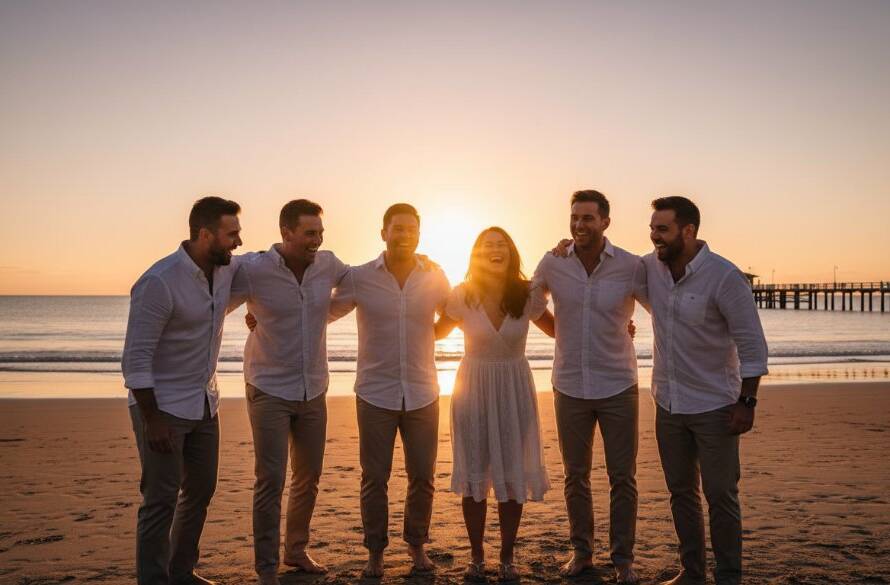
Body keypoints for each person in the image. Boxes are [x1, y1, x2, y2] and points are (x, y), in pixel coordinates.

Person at [644, 196, 768, 585]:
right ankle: (692, 572)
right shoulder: (650, 268)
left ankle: (729, 576)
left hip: (716, 405)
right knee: (681, 493)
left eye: (662, 229)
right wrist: (566, 248)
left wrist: (747, 402)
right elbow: (608, 268)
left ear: (688, 231)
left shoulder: (724, 277)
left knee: (721, 495)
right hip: (667, 403)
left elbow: (753, 345)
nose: (655, 236)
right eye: (652, 228)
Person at [122, 196, 242, 585]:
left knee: (201, 491)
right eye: (231, 234)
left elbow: (267, 264)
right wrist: (152, 420)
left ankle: (181, 571)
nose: (238, 242)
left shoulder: (225, 270)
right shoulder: (159, 282)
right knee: (160, 499)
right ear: (204, 234)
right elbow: (135, 360)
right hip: (162, 408)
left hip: (205, 402)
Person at [328, 203, 451, 578]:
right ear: (384, 233)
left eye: (411, 229)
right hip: (375, 393)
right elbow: (323, 312)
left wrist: (430, 336)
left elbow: (455, 311)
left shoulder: (434, 275)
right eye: (398, 229)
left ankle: (417, 545)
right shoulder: (360, 277)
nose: (404, 235)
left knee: (423, 477)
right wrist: (263, 316)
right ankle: (375, 553)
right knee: (374, 478)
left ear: (419, 234)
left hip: (423, 391)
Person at [229, 199, 348, 585]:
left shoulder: (328, 264)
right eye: (310, 233)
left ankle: (295, 551)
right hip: (268, 387)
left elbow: (363, 283)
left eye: (321, 233)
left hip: (313, 388)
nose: (317, 240)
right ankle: (266, 567)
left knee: (308, 477)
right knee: (270, 480)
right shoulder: (254, 269)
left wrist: (319, 315)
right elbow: (213, 300)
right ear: (286, 233)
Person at [534, 190, 647, 584]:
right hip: (569, 385)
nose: (579, 225)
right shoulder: (553, 261)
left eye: (587, 218)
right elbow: (530, 303)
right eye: (574, 218)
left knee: (623, 477)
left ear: (605, 222)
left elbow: (664, 307)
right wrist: (559, 332)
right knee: (575, 475)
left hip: (618, 383)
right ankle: (582, 553)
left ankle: (623, 559)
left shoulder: (631, 266)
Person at [433, 227, 553, 581]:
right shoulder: (462, 295)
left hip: (515, 389)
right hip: (473, 390)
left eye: (501, 245)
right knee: (475, 474)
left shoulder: (527, 294)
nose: (495, 250)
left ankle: (506, 557)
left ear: (511, 252)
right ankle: (476, 556)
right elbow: (434, 332)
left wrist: (620, 328)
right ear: (477, 255)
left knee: (512, 474)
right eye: (487, 246)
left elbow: (559, 330)